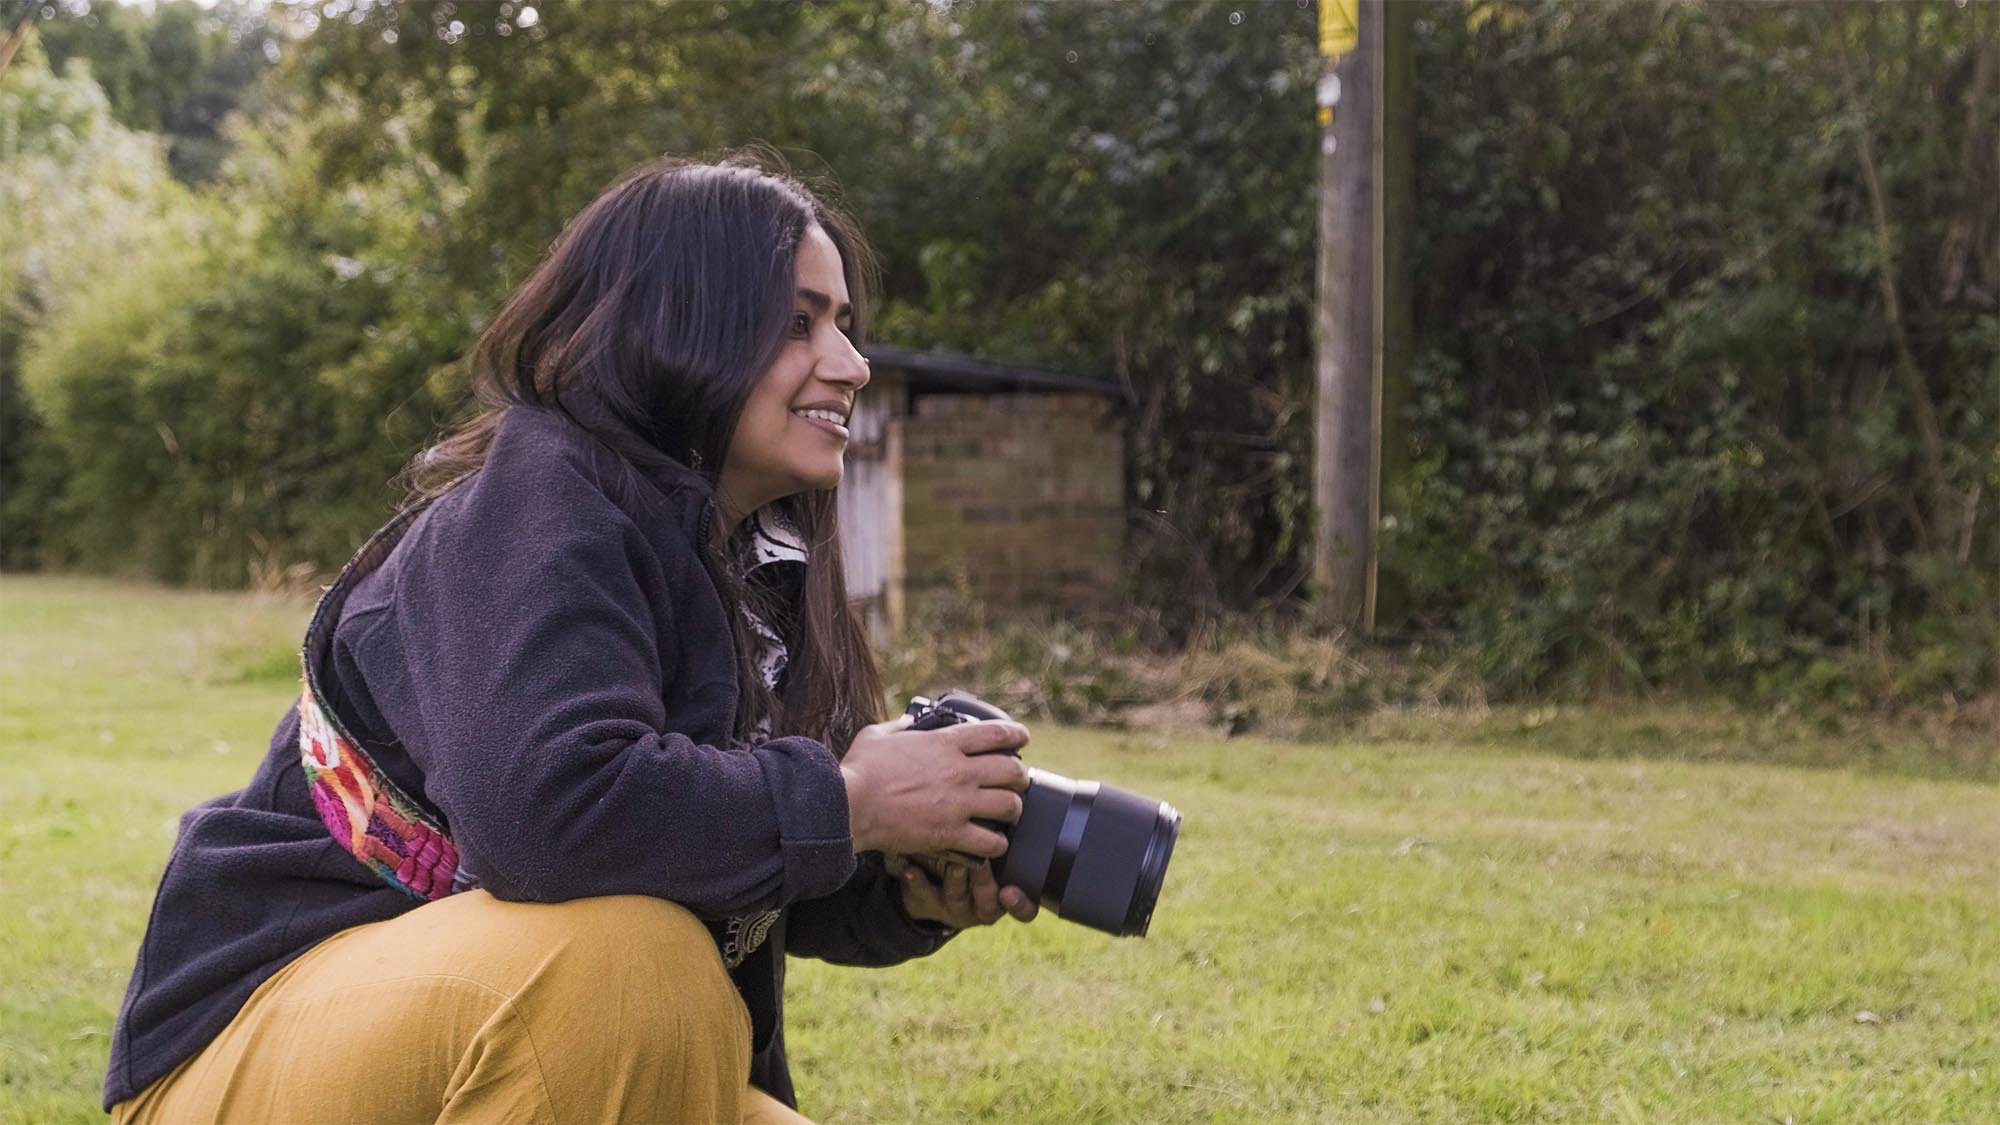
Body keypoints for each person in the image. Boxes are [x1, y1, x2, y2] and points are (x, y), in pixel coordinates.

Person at [102, 152, 1041, 1124]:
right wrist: (846, 802)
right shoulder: (542, 500)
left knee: (644, 963)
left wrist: (897, 895)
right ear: (680, 322)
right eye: (798, 323)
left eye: (844, 326)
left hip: (519, 1014)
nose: (849, 364)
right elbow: (550, 822)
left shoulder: (754, 567)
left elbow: (695, 852)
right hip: (257, 1036)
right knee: (635, 961)